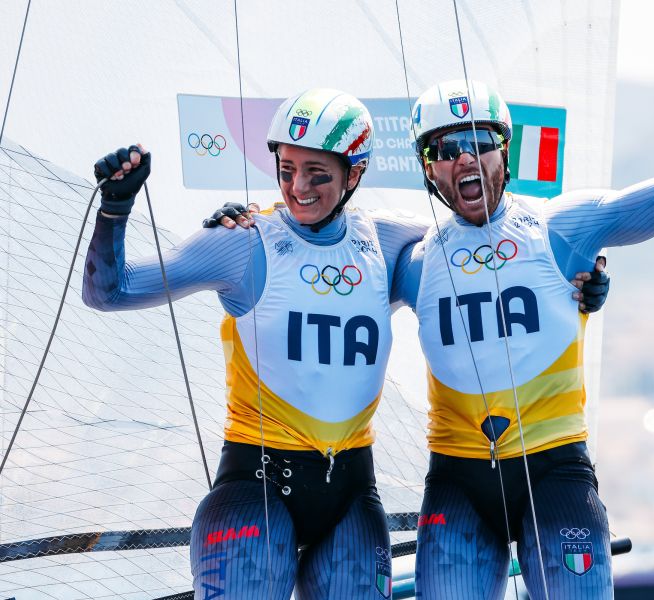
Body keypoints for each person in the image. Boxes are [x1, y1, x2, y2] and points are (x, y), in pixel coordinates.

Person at [382, 25, 654, 599]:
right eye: (445, 148)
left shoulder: (562, 228)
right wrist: (243, 224)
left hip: (556, 471)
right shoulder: (410, 259)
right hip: (459, 482)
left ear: (504, 149)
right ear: (428, 167)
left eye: (479, 141)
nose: (465, 157)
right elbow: (315, 245)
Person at [83, 89, 433, 599]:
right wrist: (115, 210)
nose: (298, 187)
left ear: (354, 174)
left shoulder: (387, 240)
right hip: (256, 488)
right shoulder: (244, 240)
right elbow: (108, 293)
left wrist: (583, 282)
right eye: (287, 169)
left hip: (351, 496)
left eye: (318, 173)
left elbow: (487, 240)